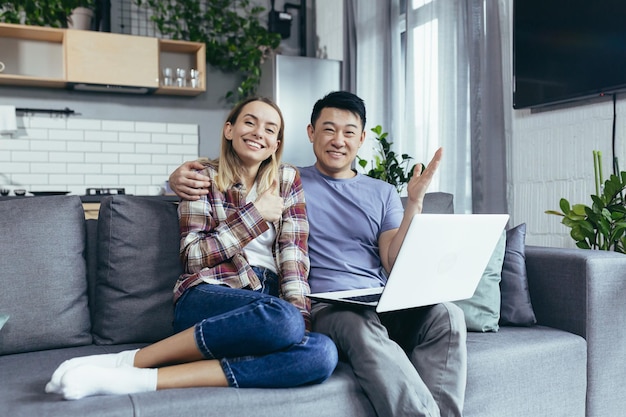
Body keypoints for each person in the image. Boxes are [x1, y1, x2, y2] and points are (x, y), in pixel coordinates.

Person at [169, 91, 467, 417]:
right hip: (334, 306)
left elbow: (392, 262)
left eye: (349, 132)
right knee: (358, 325)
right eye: (328, 129)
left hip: (380, 299)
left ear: (362, 139)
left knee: (448, 315)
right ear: (311, 133)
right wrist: (177, 175)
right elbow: (238, 170)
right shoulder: (287, 181)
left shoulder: (382, 192)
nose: (338, 140)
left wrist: (414, 204)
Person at [45, 96, 338, 400]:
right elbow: (194, 257)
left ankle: (141, 380)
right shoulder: (201, 178)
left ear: (276, 144)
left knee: (321, 354)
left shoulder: (288, 179)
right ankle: (129, 361)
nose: (258, 133)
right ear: (229, 129)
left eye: (269, 129)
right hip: (208, 292)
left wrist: (300, 326)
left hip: (267, 309)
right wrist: (255, 215)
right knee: (283, 318)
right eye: (249, 122)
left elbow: (294, 258)